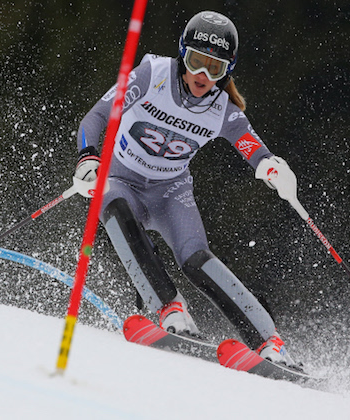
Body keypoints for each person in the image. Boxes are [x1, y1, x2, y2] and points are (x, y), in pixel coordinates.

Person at [74, 10, 301, 368]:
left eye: (215, 67)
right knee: (112, 204)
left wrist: (274, 170)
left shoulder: (224, 111)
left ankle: (272, 344)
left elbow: (254, 150)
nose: (203, 76)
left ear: (228, 70)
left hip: (169, 195)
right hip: (122, 178)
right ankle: (171, 309)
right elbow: (96, 118)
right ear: (182, 54)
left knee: (195, 259)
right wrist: (88, 158)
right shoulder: (152, 74)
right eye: (197, 62)